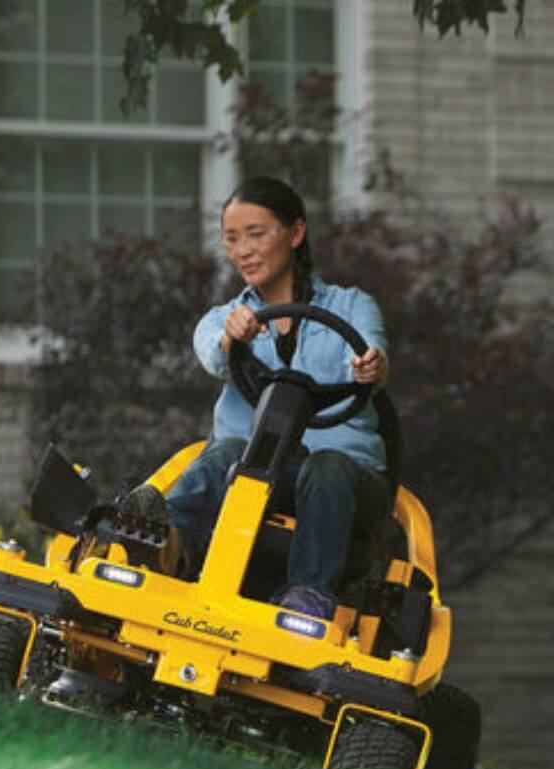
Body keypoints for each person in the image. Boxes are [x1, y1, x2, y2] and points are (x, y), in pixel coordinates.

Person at [138, 176, 392, 622]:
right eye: (232, 239)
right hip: (256, 470)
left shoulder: (352, 305)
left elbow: (371, 352)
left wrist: (369, 366)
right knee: (227, 452)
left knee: (326, 465)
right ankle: (162, 542)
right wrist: (230, 342)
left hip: (345, 477)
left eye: (256, 234)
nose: (244, 251)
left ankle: (309, 596)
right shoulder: (224, 319)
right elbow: (212, 352)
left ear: (295, 234)